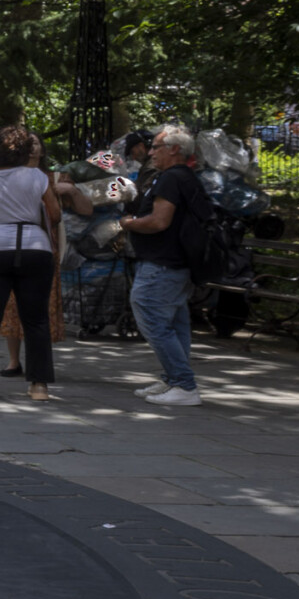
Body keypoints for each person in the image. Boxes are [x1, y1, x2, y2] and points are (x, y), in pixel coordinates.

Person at [0, 124, 60, 403]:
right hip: (34, 247)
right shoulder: (37, 177)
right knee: (36, 318)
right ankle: (39, 385)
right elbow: (54, 213)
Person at [119, 125, 211, 406]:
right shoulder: (184, 177)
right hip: (176, 263)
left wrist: (128, 224)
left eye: (156, 147)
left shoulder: (171, 178)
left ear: (174, 149)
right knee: (174, 321)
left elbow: (159, 221)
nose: (150, 152)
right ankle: (174, 380)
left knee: (151, 314)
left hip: (163, 264)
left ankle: (183, 384)